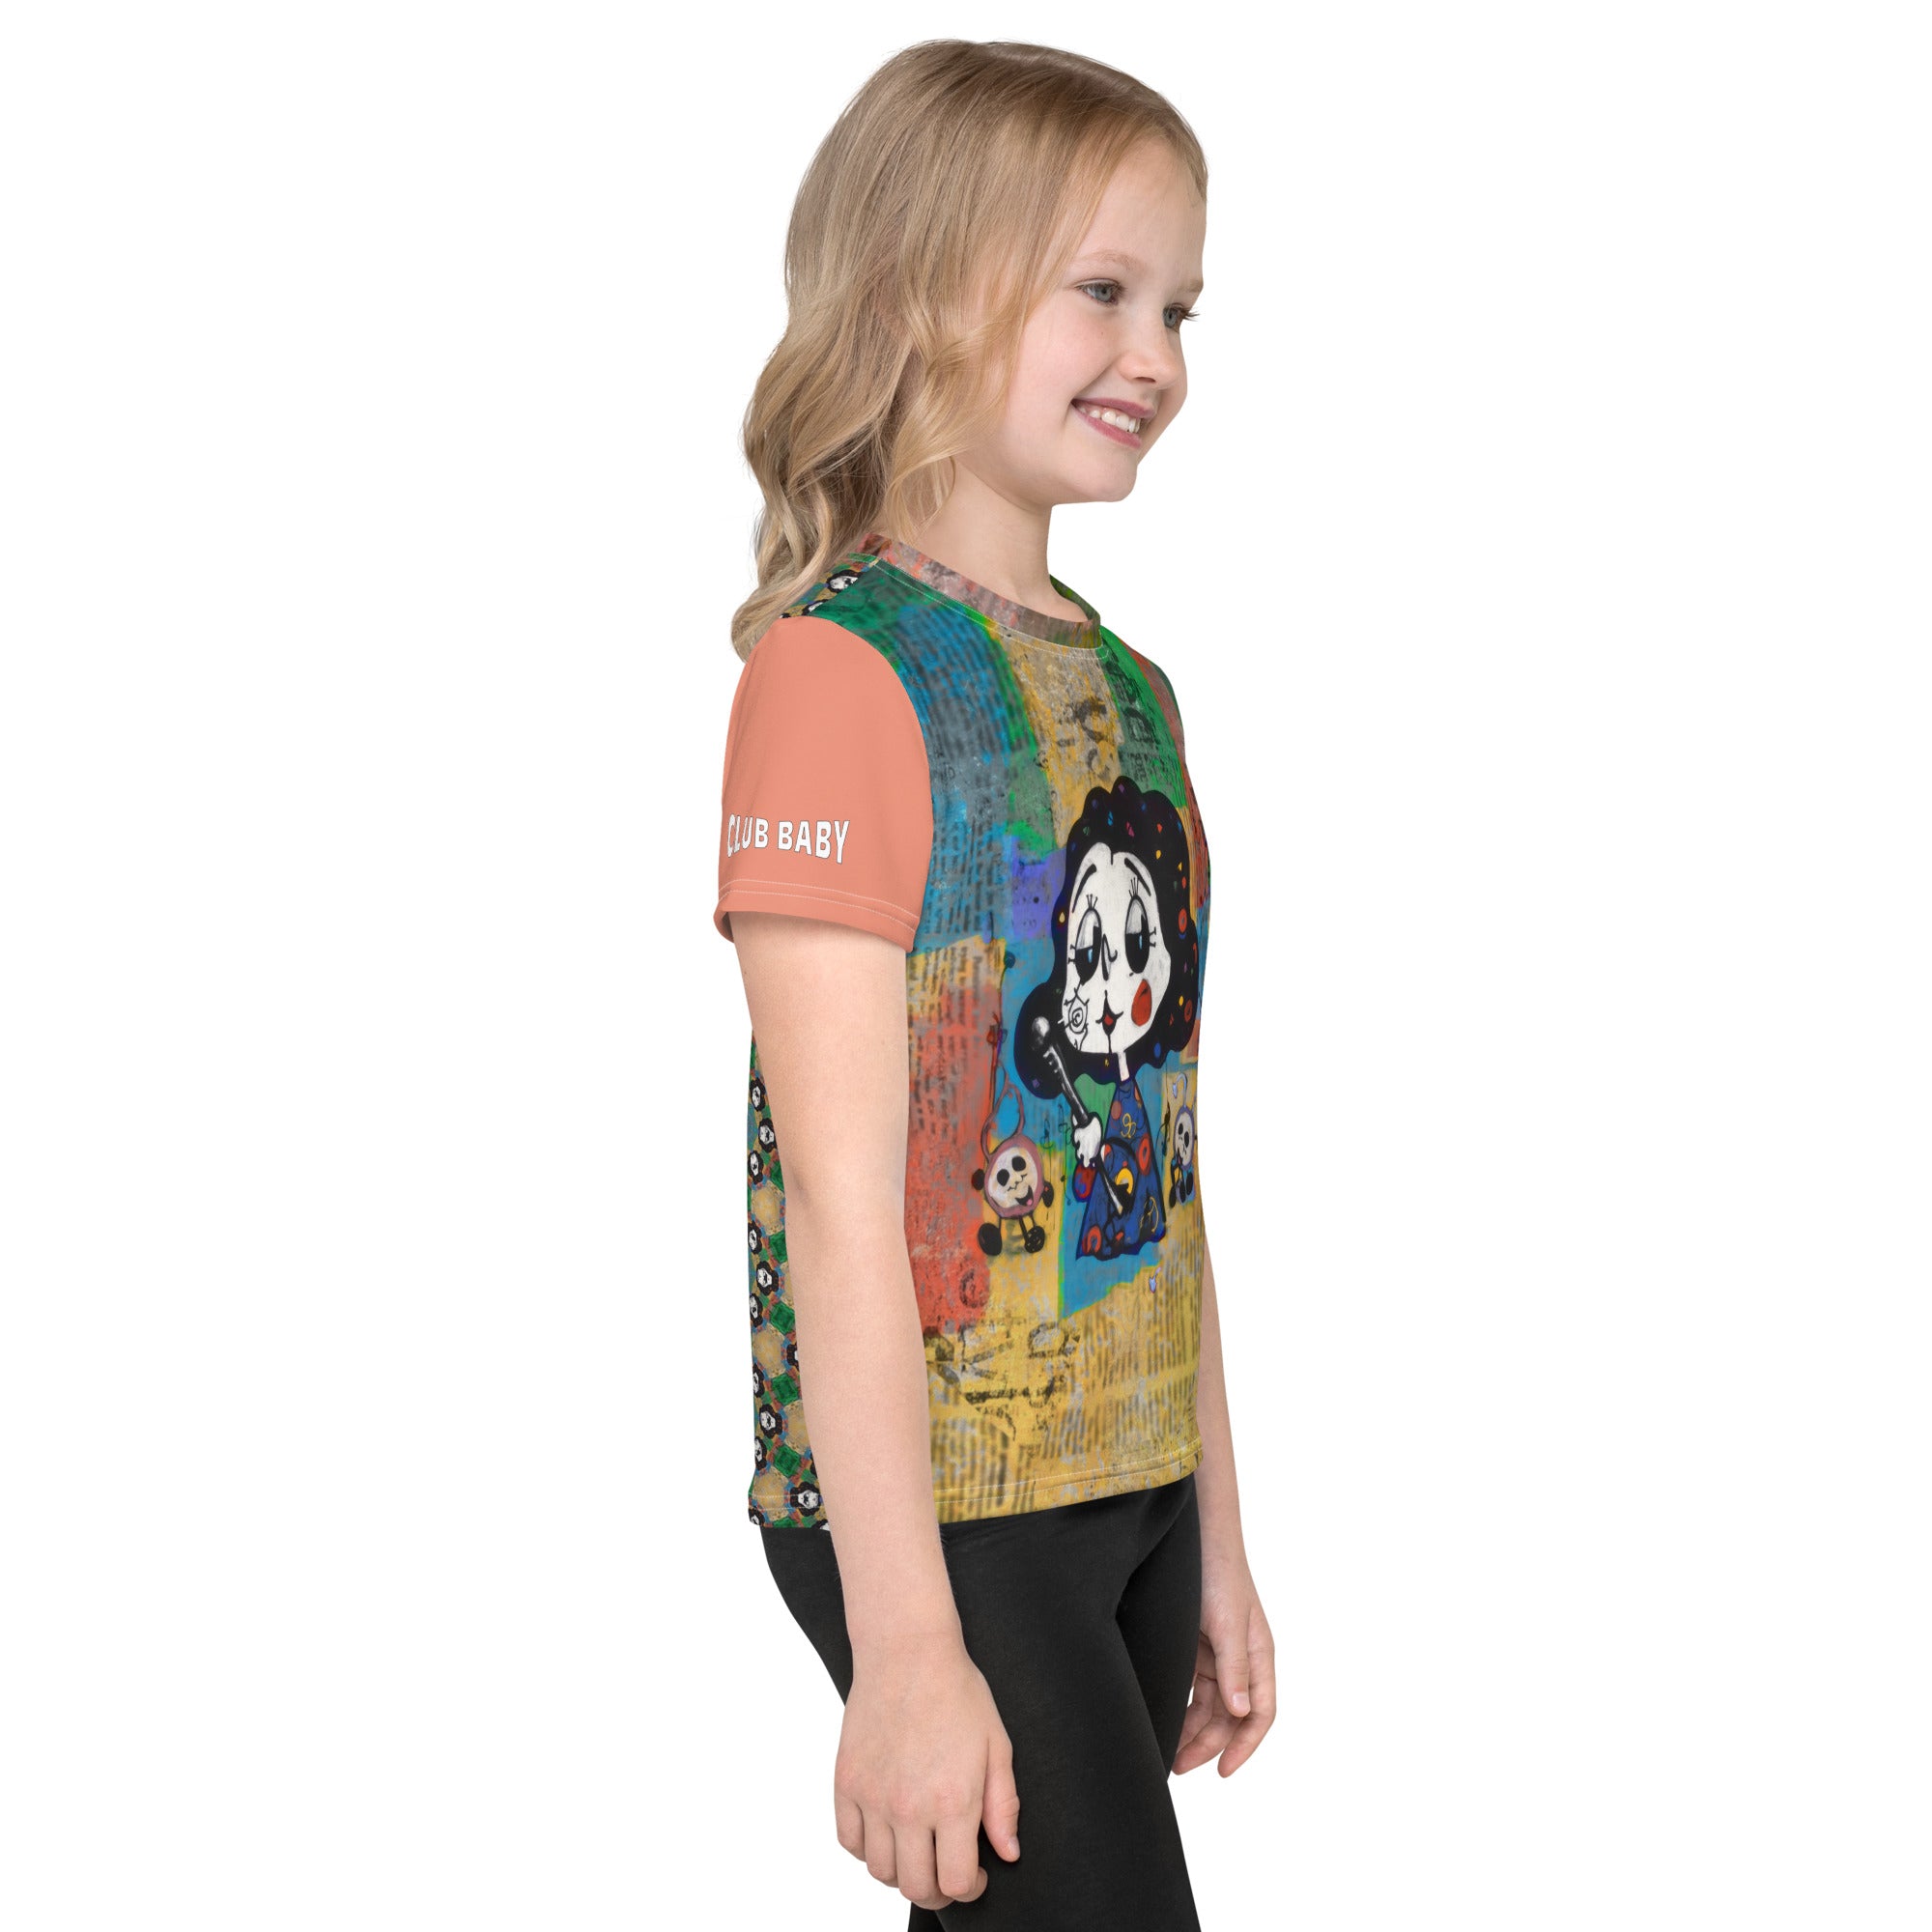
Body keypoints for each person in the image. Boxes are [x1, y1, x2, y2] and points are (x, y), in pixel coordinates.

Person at [712, 40, 1273, 1928]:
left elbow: (1161, 1153)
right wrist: (902, 1648)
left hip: (1127, 1478)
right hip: (945, 1519)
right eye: (1102, 290)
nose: (1156, 355)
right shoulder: (840, 674)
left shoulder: (1133, 694)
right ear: (921, 291)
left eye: (1178, 306)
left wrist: (1215, 1539)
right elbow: (838, 1203)